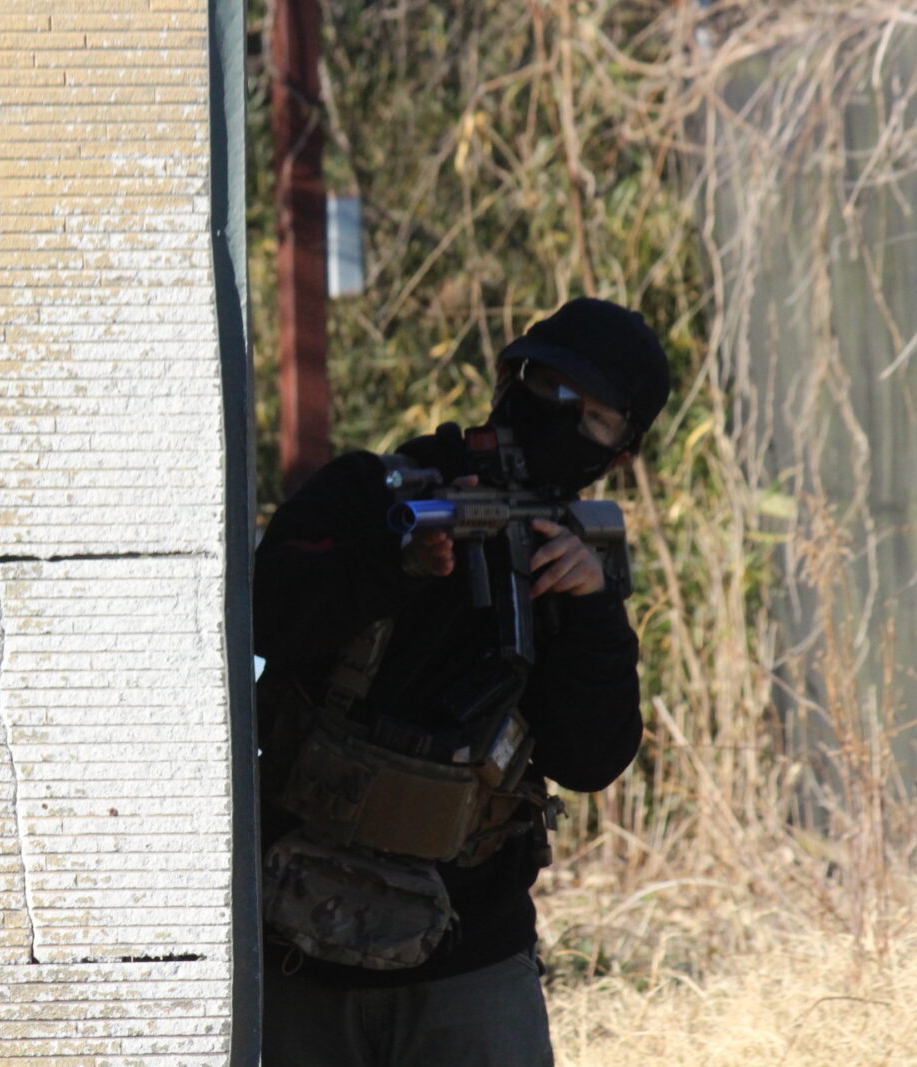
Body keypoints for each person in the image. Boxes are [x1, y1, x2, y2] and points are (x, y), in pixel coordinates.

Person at [252, 297, 672, 1066]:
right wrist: (393, 566)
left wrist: (591, 609)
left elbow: (589, 758)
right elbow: (261, 617)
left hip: (470, 953)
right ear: (508, 380)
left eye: (592, 415)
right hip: (301, 939)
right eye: (548, 388)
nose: (560, 416)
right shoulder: (368, 495)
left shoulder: (568, 558)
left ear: (618, 456)